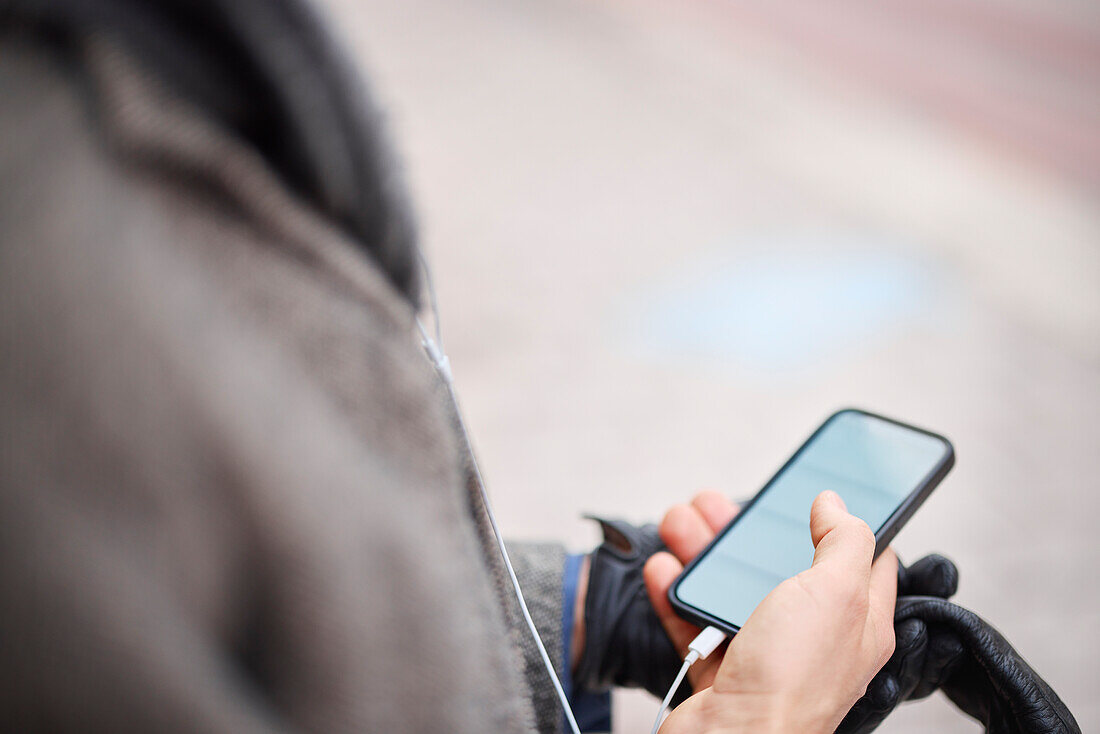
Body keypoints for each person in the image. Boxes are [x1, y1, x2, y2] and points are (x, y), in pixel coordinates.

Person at [0, 1, 1079, 732]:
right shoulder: (48, 248)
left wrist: (576, 611)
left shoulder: (169, 48)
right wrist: (751, 721)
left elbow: (267, 554)